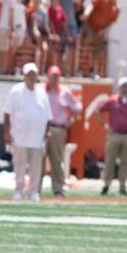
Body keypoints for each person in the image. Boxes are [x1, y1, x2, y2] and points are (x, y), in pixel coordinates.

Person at [4, 62, 52, 202]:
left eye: (34, 74)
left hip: (37, 138)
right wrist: (7, 133)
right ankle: (18, 191)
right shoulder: (15, 91)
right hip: (19, 136)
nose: (31, 77)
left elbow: (48, 117)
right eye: (29, 74)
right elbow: (7, 113)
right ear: (24, 76)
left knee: (36, 168)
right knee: (19, 166)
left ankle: (33, 192)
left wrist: (45, 134)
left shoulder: (42, 93)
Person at [44, 65, 82, 196]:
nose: (54, 79)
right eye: (52, 76)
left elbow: (77, 107)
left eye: (56, 76)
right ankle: (35, 188)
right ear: (48, 77)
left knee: (57, 159)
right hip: (42, 128)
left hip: (58, 128)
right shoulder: (41, 90)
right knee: (39, 158)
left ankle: (58, 187)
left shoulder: (65, 92)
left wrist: (70, 121)